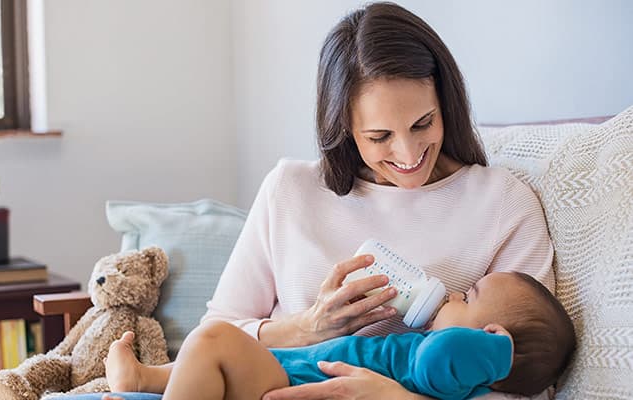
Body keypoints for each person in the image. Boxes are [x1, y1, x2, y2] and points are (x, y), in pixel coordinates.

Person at [199, 2, 556, 399]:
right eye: (379, 137)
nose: (408, 154)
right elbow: (217, 331)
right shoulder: (289, 189)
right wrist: (309, 326)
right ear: (345, 128)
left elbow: (531, 385)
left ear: (445, 103)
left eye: (423, 123)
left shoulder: (504, 203)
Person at [101, 271, 575, 400]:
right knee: (214, 364)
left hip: (290, 387)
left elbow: (450, 355)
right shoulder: (429, 357)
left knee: (214, 342)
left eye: (467, 297)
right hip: (290, 368)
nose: (450, 294)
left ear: (490, 339)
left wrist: (499, 350)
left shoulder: (441, 366)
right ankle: (143, 379)